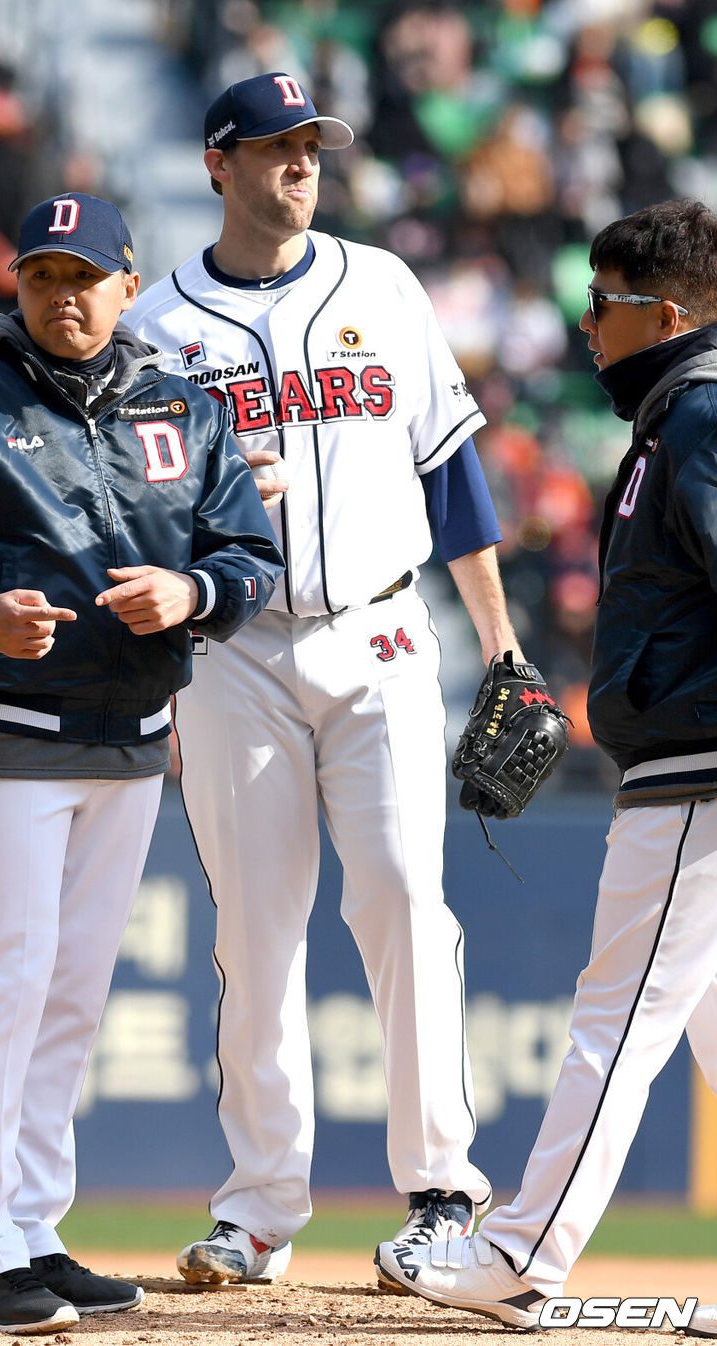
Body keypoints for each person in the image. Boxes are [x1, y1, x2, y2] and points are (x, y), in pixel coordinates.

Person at [0, 191, 284, 1335]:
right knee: (13, 980)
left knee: (75, 993)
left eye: (85, 275)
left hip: (135, 738)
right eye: (42, 276)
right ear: (17, 288)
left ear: (128, 285)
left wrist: (193, 591)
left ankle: (36, 1223)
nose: (64, 294)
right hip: (11, 736)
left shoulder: (183, 410)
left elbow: (248, 552)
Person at [129, 70, 527, 1287]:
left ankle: (444, 1190)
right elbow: (139, 510)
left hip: (381, 630)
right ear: (218, 162)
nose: (300, 163)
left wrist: (501, 642)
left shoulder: (384, 285)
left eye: (311, 144)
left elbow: (452, 479)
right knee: (254, 932)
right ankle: (257, 1210)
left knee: (406, 896)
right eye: (275, 146)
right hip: (231, 648)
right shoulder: (156, 322)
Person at [376, 199, 717, 1336]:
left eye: (603, 302)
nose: (582, 323)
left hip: (699, 765)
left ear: (663, 312)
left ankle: (522, 1253)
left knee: (614, 1017)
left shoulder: (703, 412)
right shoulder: (682, 411)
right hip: (686, 754)